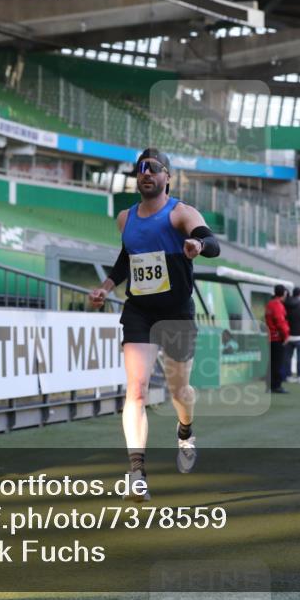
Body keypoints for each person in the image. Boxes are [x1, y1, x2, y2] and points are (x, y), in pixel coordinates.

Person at [88, 148, 220, 502]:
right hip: (139, 312)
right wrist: (105, 286)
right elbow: (126, 258)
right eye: (140, 169)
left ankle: (186, 430)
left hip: (176, 314)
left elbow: (213, 243)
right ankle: (136, 472)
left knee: (180, 392)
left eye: (154, 169)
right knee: (136, 389)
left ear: (167, 176)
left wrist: (196, 243)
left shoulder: (180, 213)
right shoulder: (124, 218)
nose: (146, 173)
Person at [265, 285, 290, 394]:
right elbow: (280, 322)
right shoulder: (278, 306)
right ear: (284, 294)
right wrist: (286, 336)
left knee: (271, 362)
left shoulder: (269, 304)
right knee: (278, 363)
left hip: (270, 336)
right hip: (277, 337)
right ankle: (276, 385)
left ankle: (269, 385)